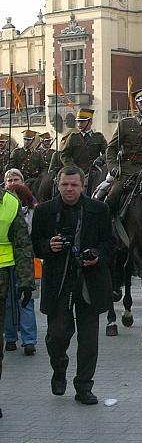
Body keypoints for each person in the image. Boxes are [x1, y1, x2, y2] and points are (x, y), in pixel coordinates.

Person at [31, 165, 113, 405]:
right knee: (56, 336)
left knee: (89, 340)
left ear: (83, 186)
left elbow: (110, 243)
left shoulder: (99, 209)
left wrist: (97, 254)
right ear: (57, 185)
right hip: (59, 281)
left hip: (90, 282)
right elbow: (35, 244)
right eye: (65, 184)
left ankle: (84, 386)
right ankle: (59, 367)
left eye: (74, 185)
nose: (69, 189)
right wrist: (49, 246)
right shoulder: (45, 211)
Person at [0, 173, 35, 419]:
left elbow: (23, 245)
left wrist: (26, 281)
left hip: (3, 278)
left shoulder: (11, 202)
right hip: (126, 169)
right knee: (112, 189)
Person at [2, 173, 37, 355]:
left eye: (16, 180)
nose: (13, 183)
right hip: (7, 263)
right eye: (10, 180)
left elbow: (24, 244)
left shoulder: (26, 206)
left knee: (25, 301)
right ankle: (10, 337)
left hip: (18, 263)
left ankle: (29, 339)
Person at [60, 108, 108, 174]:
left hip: (95, 172)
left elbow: (108, 153)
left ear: (90, 121)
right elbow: (64, 155)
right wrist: (73, 168)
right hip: (77, 173)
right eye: (78, 121)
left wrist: (101, 159)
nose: (79, 124)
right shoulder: (73, 137)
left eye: (82, 122)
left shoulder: (99, 137)